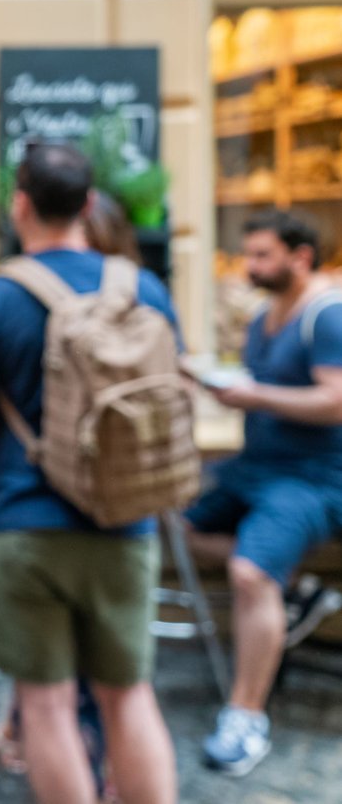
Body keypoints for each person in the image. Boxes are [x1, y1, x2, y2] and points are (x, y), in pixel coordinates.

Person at [0, 143, 178, 804]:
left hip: (22, 527)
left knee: (45, 707)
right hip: (124, 522)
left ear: (20, 203)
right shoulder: (144, 288)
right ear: (86, 204)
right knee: (128, 697)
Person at [184, 209, 342, 776]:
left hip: (314, 478)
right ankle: (294, 588)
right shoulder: (262, 317)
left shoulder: (327, 315)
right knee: (182, 530)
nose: (251, 266)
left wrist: (256, 397)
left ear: (301, 257)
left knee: (250, 573)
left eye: (263, 255)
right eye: (248, 254)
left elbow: (336, 400)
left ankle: (246, 718)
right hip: (255, 466)